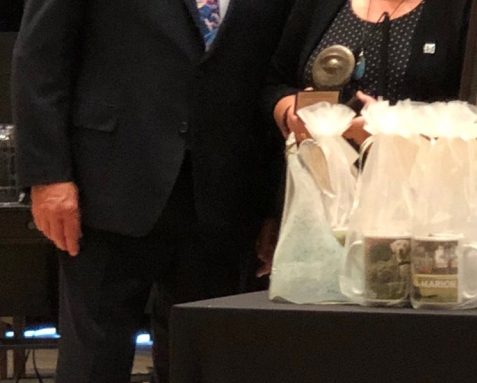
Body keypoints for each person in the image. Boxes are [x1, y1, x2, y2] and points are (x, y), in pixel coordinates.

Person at [11, 0, 293, 382]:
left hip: (223, 195)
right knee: (93, 361)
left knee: (204, 362)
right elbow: (39, 57)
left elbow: (274, 70)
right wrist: (47, 176)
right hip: (107, 185)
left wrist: (271, 205)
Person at [261, 0, 472, 143]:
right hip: (315, 189)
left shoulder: (464, 8)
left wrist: (393, 129)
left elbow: (474, 116)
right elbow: (275, 82)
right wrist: (290, 114)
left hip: (408, 195)